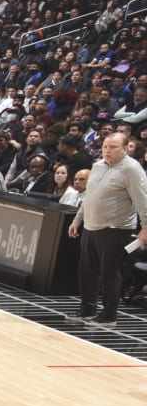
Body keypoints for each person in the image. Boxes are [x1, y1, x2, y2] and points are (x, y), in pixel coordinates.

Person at [70, 131, 147, 325]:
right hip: (91, 225)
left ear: (125, 148)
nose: (107, 150)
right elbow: (89, 196)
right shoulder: (97, 166)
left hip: (115, 228)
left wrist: (145, 227)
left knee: (109, 272)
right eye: (105, 146)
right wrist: (78, 219)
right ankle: (87, 309)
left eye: (113, 147)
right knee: (86, 271)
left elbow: (143, 201)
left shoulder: (131, 169)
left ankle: (109, 315)